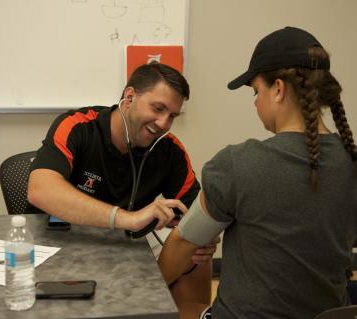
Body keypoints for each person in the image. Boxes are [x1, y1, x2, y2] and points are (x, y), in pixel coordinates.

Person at [158, 26, 357, 319]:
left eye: (256, 91)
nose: (255, 102)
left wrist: (144, 290)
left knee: (172, 307)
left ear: (278, 89)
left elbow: (185, 242)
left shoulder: (237, 165)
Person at [27, 62, 216, 308]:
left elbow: (196, 212)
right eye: (158, 108)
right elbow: (39, 189)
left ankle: (167, 308)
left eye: (172, 116)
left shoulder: (169, 150)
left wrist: (204, 236)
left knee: (197, 251)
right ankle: (131, 302)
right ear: (129, 97)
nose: (163, 124)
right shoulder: (79, 126)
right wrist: (127, 218)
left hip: (130, 246)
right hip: (68, 241)